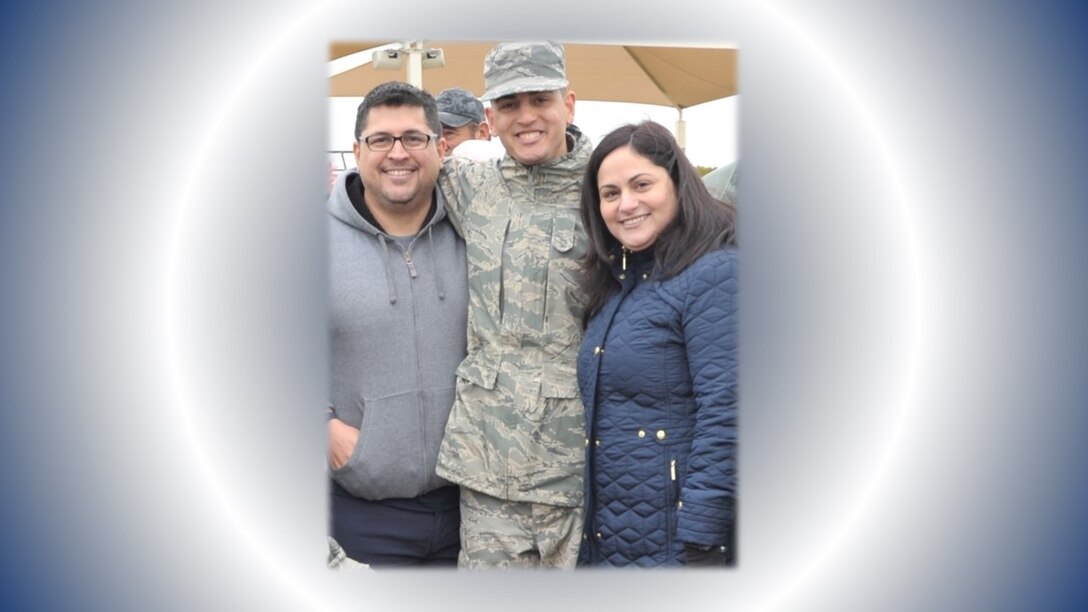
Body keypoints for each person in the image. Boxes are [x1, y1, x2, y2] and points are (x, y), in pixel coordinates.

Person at [434, 41, 591, 568]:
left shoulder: (608, 192)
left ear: (568, 105)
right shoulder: (469, 183)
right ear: (489, 117)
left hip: (579, 468)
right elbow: (393, 174)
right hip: (487, 469)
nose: (526, 117)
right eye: (509, 105)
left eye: (540, 100)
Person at [575, 120, 738, 567]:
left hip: (678, 543)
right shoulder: (621, 282)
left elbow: (727, 416)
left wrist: (703, 541)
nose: (626, 204)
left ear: (677, 183)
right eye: (610, 194)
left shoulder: (716, 273)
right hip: (617, 536)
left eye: (641, 184)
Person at [326, 81, 467, 567]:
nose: (398, 153)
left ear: (440, 147)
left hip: (471, 510)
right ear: (357, 150)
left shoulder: (476, 236)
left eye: (414, 138)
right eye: (381, 139)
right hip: (360, 513)